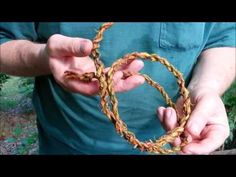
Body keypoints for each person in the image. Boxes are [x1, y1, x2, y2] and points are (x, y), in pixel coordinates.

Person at [0, 22, 235, 155]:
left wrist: (206, 87)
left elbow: (224, 37)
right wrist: (43, 57)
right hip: (66, 145)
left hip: (176, 143)